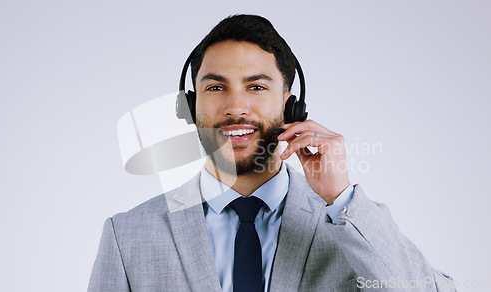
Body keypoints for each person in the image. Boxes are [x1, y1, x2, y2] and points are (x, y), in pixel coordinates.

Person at [89, 14, 455, 291]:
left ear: (291, 106)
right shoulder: (128, 236)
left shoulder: (347, 223)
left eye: (256, 87)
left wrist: (341, 199)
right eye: (216, 87)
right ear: (190, 106)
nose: (236, 107)